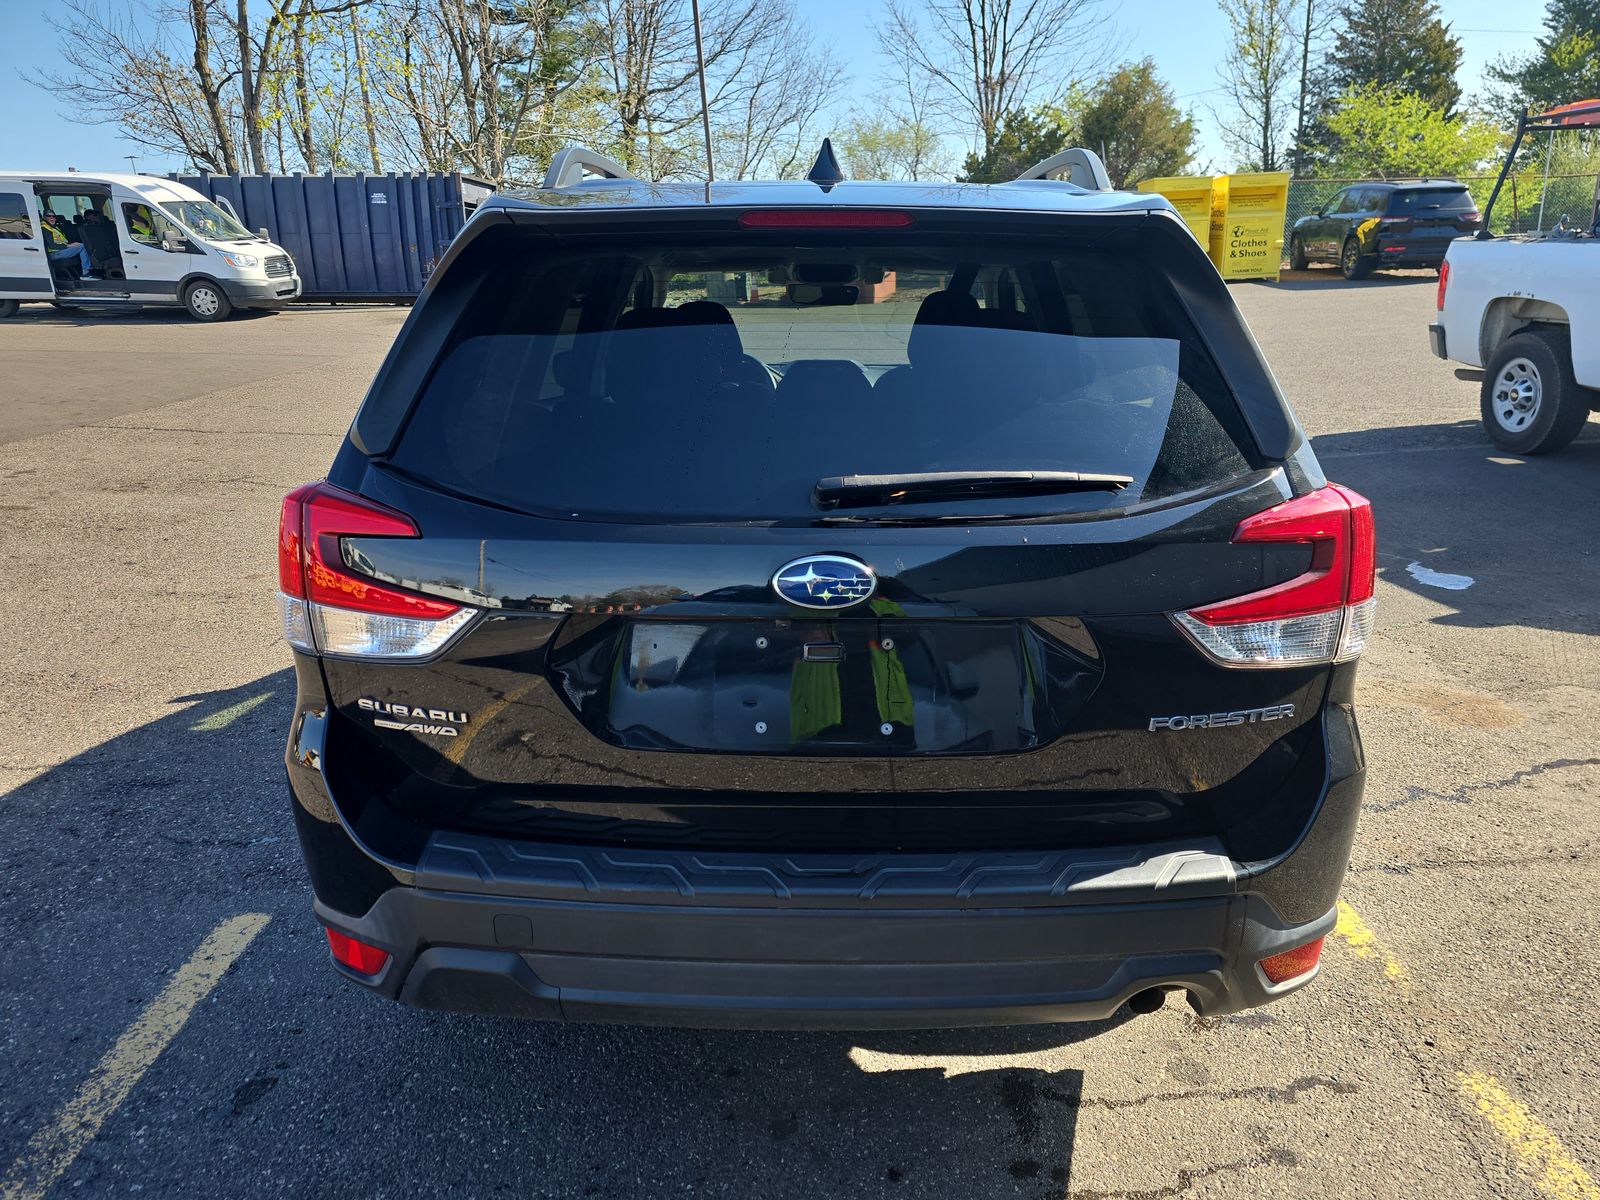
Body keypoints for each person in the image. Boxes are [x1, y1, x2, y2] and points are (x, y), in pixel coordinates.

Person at [41, 211, 99, 280]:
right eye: (49, 216)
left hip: (60, 250)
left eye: (53, 216)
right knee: (82, 247)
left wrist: (72, 245)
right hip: (54, 253)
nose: (52, 218)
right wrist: (69, 246)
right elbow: (52, 246)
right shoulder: (45, 228)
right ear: (44, 217)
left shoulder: (54, 228)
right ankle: (86, 273)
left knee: (81, 245)